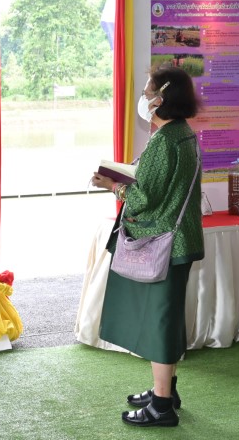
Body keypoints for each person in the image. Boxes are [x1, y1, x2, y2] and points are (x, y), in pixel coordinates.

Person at [90, 66, 204, 427]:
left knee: (159, 324)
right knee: (166, 319)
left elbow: (142, 198)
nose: (143, 98)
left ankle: (161, 406)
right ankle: (164, 390)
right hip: (178, 242)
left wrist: (112, 185)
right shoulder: (183, 133)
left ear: (161, 98)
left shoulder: (164, 140)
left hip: (162, 245)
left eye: (146, 92)